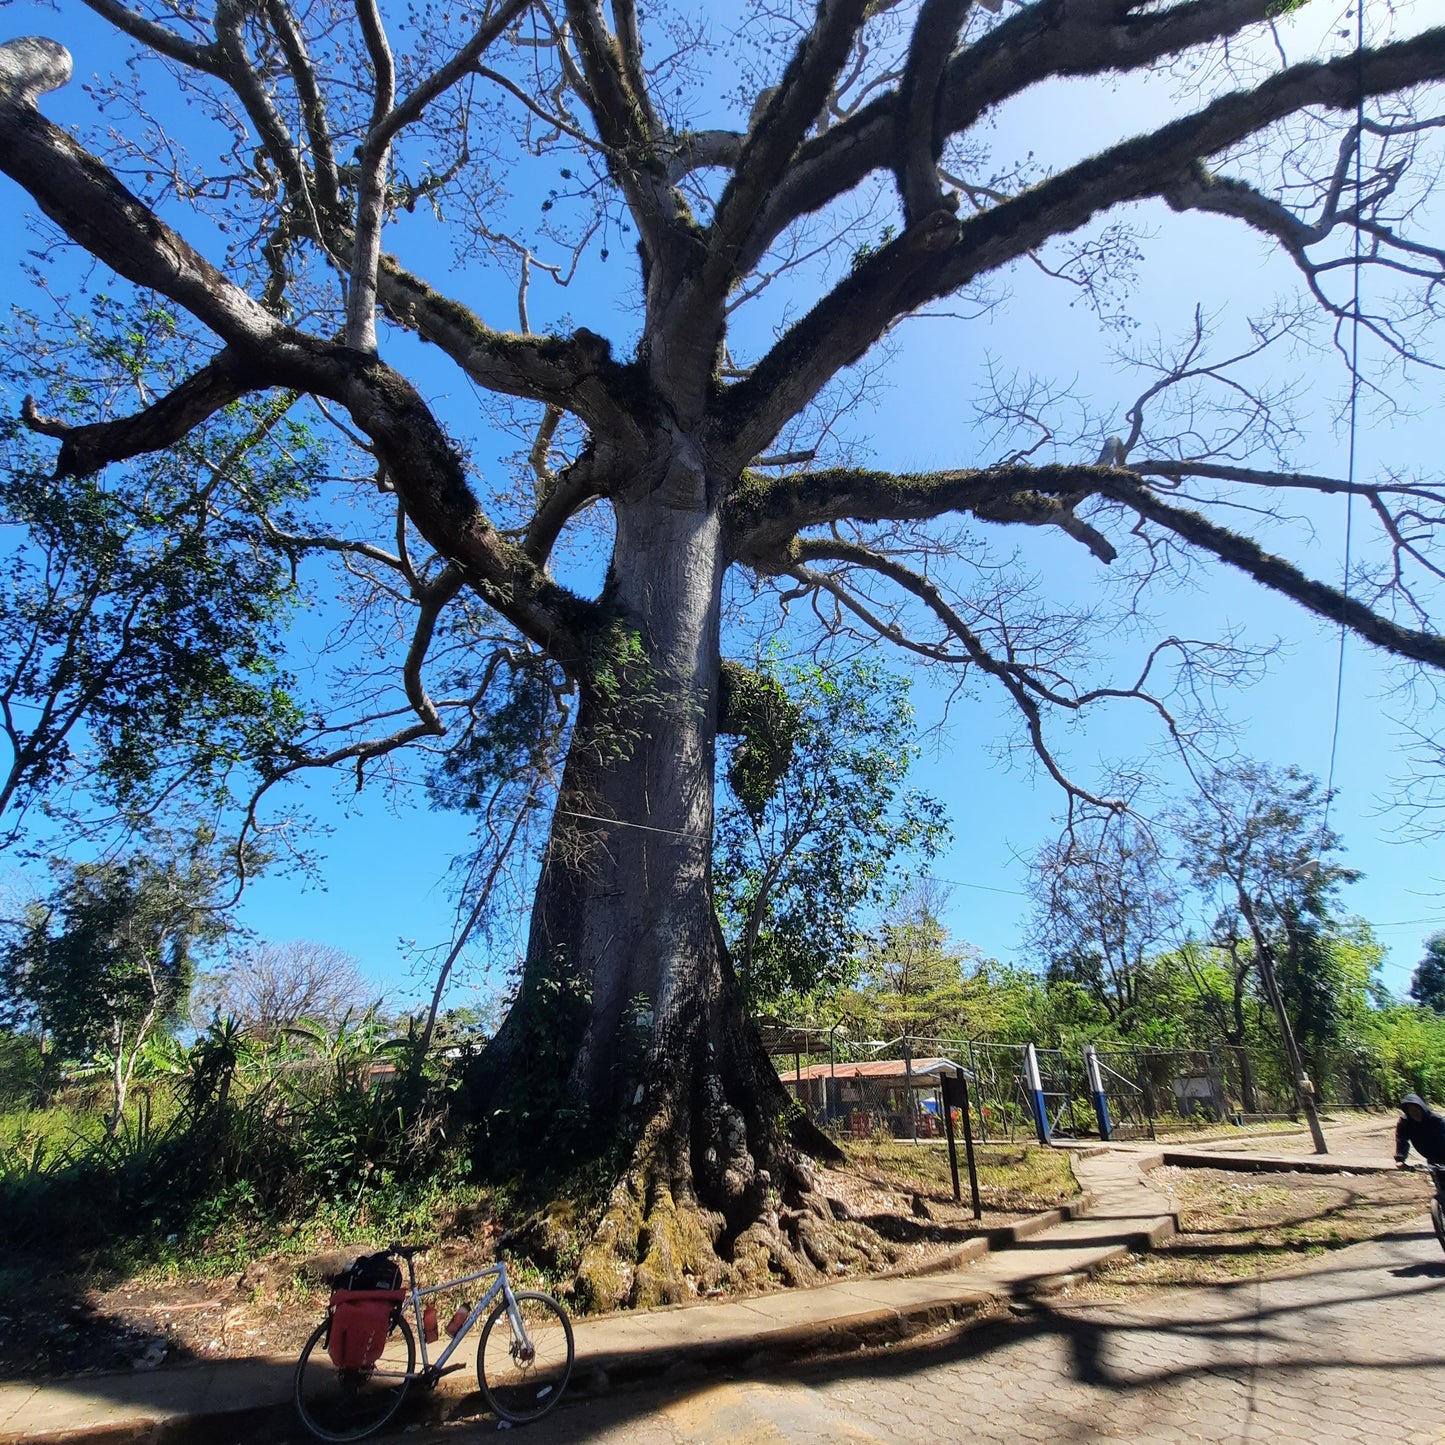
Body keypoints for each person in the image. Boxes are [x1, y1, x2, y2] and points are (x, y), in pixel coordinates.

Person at [1395, 1093, 1445, 1169]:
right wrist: (1400, 1159)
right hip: (1430, 1157)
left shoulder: (1436, 1120)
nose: (1415, 1112)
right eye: (1411, 1110)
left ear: (1422, 1108)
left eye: (1417, 1109)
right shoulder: (1405, 1123)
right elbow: (1401, 1140)